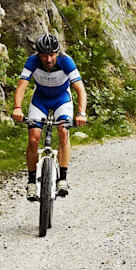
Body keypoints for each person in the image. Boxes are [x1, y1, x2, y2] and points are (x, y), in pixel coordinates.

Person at [12, 33, 87, 200]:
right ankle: (31, 182)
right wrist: (17, 108)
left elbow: (80, 89)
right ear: (38, 54)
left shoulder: (66, 61)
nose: (48, 59)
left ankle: (63, 179)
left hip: (62, 99)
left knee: (63, 131)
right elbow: (22, 86)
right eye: (44, 55)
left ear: (57, 53)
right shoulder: (32, 61)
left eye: (52, 55)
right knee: (33, 138)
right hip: (40, 100)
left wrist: (81, 113)